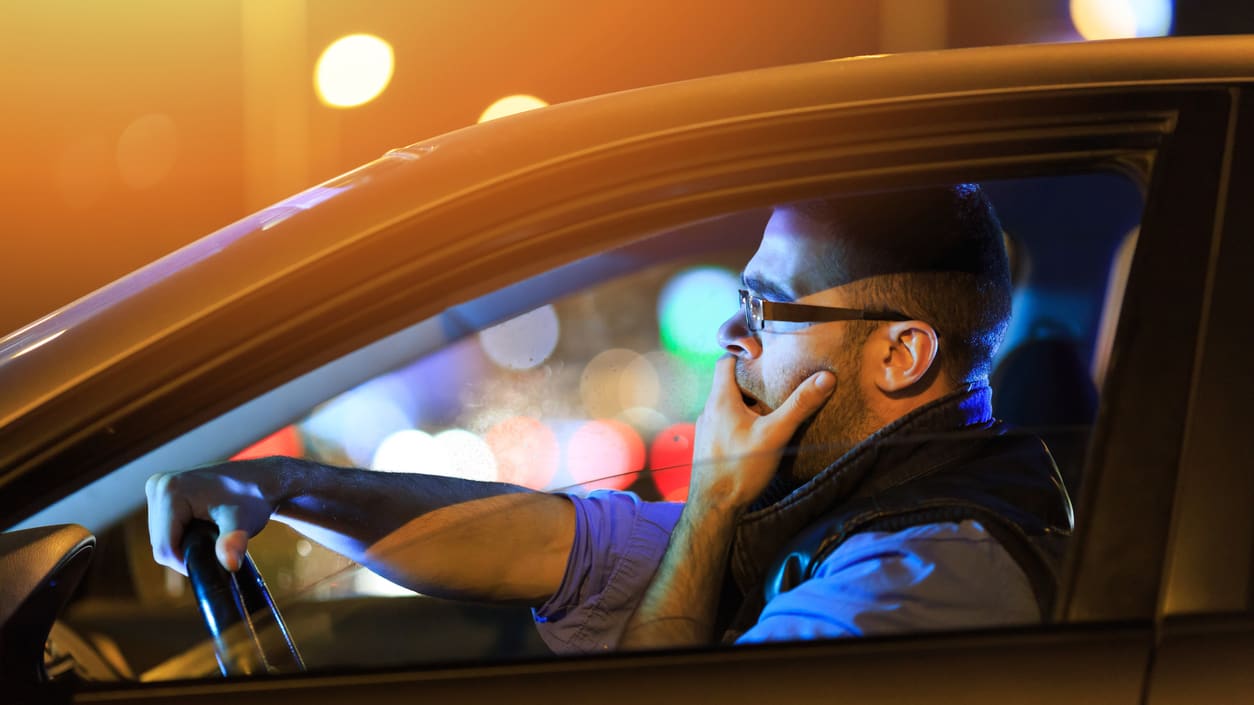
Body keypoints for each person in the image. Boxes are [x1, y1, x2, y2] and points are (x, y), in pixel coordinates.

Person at [147, 184, 1072, 655]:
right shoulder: (842, 504)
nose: (730, 334)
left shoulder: (927, 576)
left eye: (768, 309)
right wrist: (285, 485)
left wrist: (710, 504)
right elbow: (524, 546)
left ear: (901, 355)